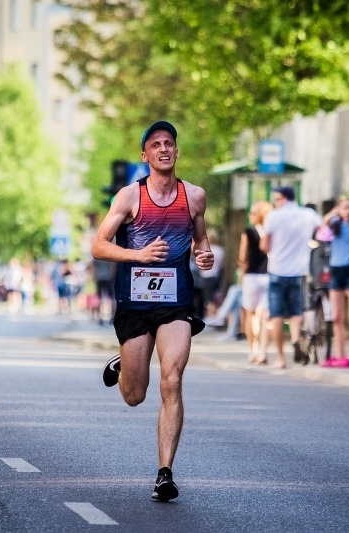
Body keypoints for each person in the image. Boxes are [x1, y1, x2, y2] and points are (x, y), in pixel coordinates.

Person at [92, 120, 214, 502]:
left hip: (176, 303)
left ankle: (164, 473)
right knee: (134, 394)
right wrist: (138, 255)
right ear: (145, 155)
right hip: (135, 303)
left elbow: (201, 238)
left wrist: (204, 254)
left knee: (172, 380)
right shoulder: (130, 196)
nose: (163, 149)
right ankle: (125, 363)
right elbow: (99, 245)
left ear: (177, 151)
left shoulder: (194, 197)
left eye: (169, 143)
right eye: (156, 144)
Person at [260, 185, 322, 368]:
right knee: (296, 312)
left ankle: (280, 358)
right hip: (299, 271)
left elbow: (264, 246)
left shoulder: (274, 216)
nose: (275, 203)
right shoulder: (308, 214)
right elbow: (322, 231)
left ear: (284, 198)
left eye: (277, 199)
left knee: (276, 315)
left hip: (277, 270)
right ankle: (295, 339)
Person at [322, 195, 349, 368]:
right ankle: (339, 354)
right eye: (344, 208)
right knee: (336, 316)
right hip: (336, 270)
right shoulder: (335, 225)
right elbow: (322, 225)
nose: (348, 211)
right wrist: (334, 213)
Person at [237, 200, 272, 363]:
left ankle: (253, 350)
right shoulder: (271, 232)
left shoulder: (249, 231)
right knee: (265, 316)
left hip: (251, 275)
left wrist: (242, 269)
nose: (250, 215)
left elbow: (242, 256)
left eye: (253, 213)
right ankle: (263, 352)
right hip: (268, 275)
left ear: (261, 215)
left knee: (250, 314)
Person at [197, 228, 225, 315]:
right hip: (216, 276)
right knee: (215, 298)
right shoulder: (221, 250)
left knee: (208, 300)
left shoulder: (206, 250)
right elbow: (222, 265)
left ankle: (211, 316)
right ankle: (214, 316)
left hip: (207, 276)